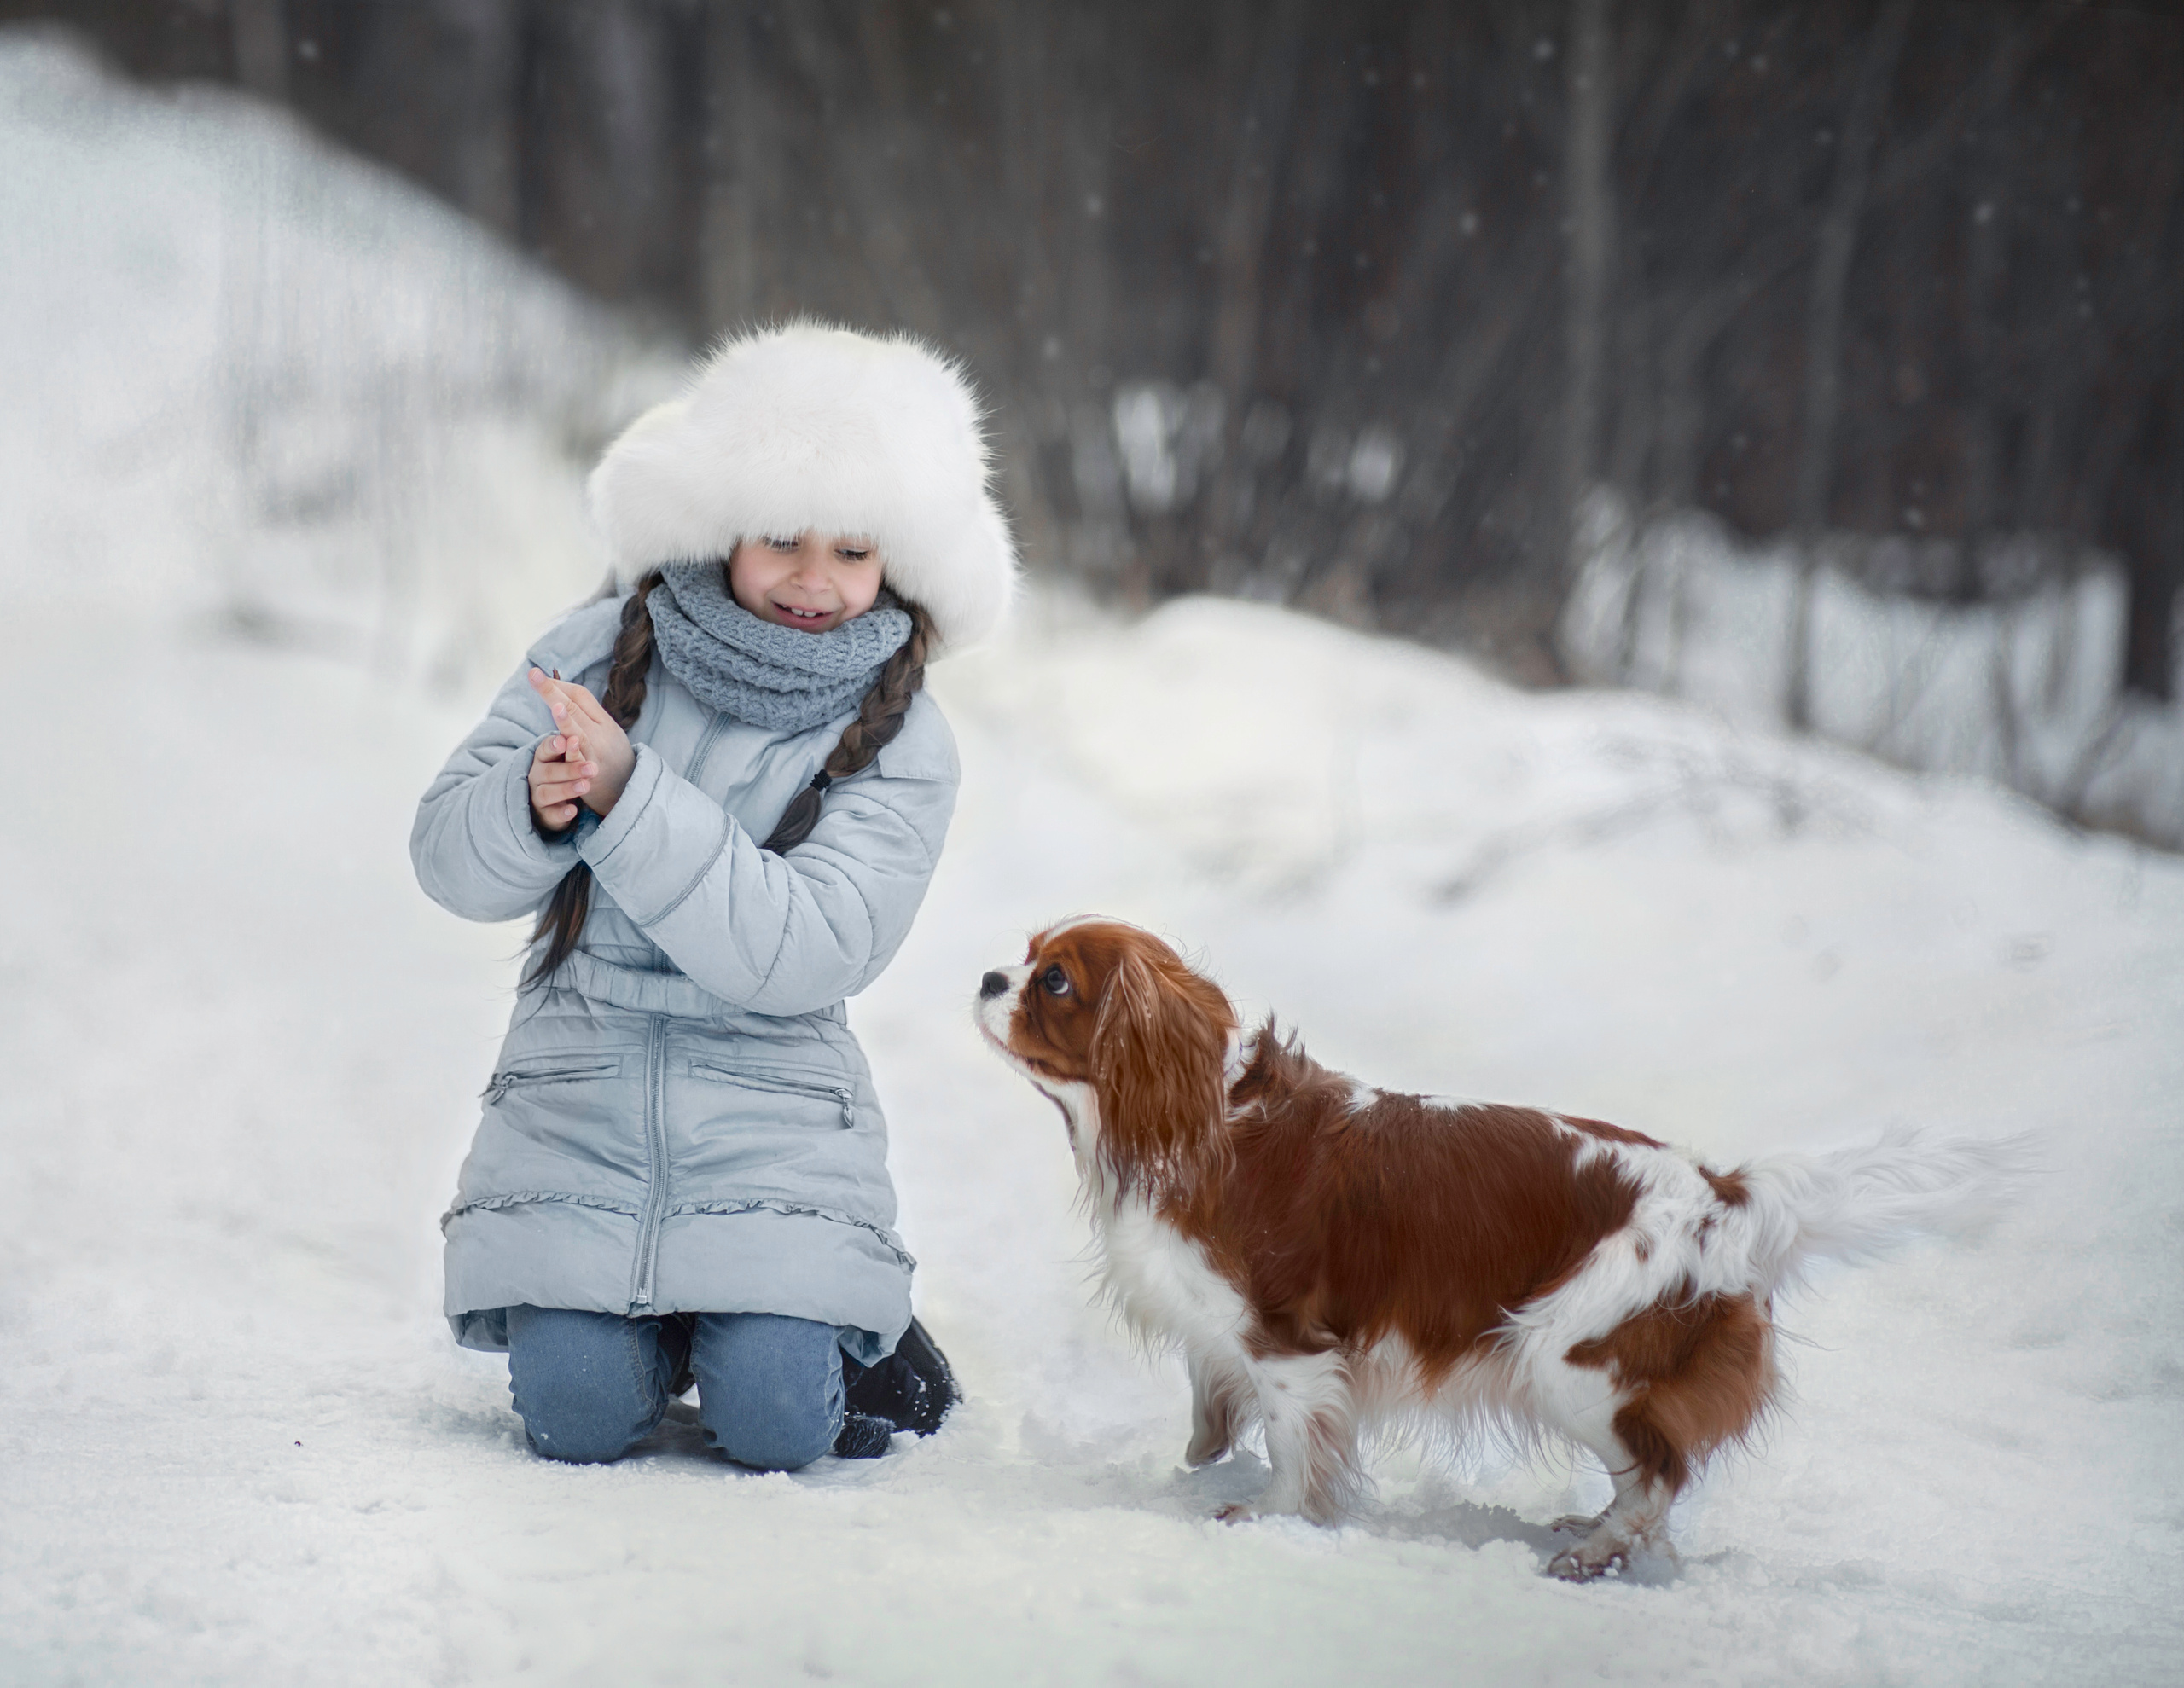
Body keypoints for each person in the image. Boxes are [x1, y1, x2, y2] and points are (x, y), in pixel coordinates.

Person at [410, 323, 1015, 1468]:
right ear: (719, 529)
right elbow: (443, 855)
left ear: (900, 561)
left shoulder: (906, 740)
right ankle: (674, 1325)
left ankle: (795, 1329)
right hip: (580, 1106)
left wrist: (630, 797)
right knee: (574, 1419)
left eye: (852, 549)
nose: (813, 578)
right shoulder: (592, 652)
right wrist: (533, 808)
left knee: (779, 1426)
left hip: (770, 1125)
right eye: (781, 537)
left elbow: (803, 948)